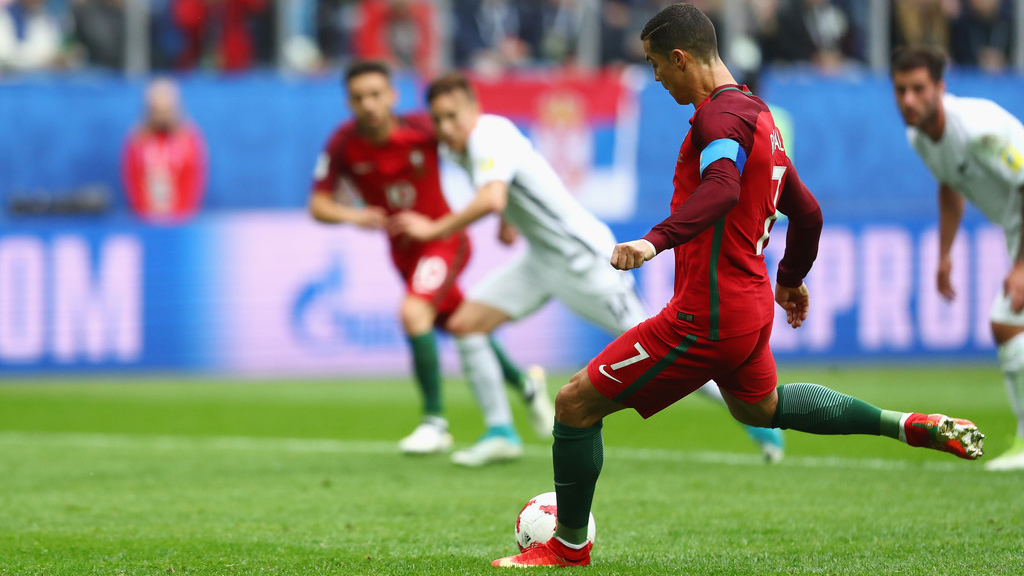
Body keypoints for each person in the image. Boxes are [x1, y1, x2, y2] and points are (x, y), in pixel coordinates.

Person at [491, 4, 984, 567]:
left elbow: (722, 188)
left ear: (681, 58)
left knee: (575, 403)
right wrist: (791, 278)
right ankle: (905, 425)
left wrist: (654, 242)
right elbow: (810, 212)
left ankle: (569, 546)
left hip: (707, 316)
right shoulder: (760, 119)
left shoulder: (717, 119)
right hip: (749, 311)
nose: (655, 78)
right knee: (760, 409)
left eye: (656, 66)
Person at [390, 70, 785, 467]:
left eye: (452, 116)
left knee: (665, 354)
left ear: (473, 109)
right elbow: (511, 189)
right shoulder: (470, 145)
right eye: (438, 119)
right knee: (465, 324)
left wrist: (433, 228)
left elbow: (492, 197)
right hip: (541, 259)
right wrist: (510, 222)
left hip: (585, 261)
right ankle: (500, 432)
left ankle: (755, 419)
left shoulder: (487, 135)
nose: (445, 127)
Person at [309, 60, 554, 457]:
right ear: (348, 102)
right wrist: (355, 215)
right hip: (403, 252)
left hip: (443, 239)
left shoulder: (424, 129)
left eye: (376, 94)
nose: (369, 104)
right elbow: (318, 204)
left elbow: (478, 158)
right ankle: (525, 384)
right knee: (461, 325)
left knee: (412, 313)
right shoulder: (342, 143)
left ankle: (434, 423)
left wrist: (506, 217)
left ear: (392, 96)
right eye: (359, 98)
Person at [891, 46, 1024, 471]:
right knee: (1009, 325)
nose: (909, 100)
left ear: (940, 89)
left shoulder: (980, 129)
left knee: (1007, 322)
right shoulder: (919, 137)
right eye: (900, 90)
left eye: (918, 89)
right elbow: (949, 185)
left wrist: (1021, 266)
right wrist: (945, 253)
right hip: (1015, 230)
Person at [122, 78, 208, 224]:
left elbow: (193, 181)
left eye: (166, 110)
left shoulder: (188, 139)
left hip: (181, 220)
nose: (162, 116)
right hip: (146, 221)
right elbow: (133, 181)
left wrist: (181, 218)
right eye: (157, 110)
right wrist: (145, 217)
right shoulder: (137, 140)